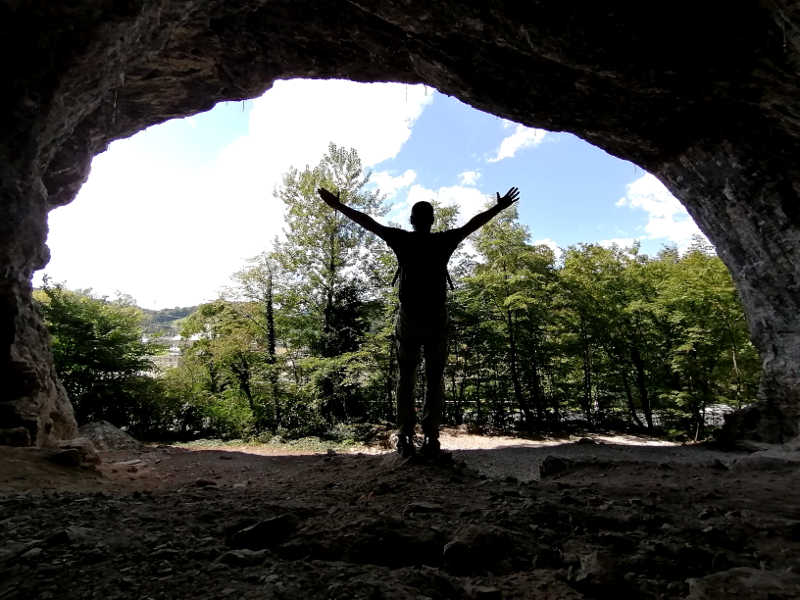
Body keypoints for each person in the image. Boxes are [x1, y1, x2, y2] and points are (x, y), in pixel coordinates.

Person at [317, 186, 520, 458]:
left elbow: (368, 222)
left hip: (409, 318)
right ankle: (432, 437)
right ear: (432, 220)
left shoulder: (402, 240)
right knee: (435, 379)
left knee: (406, 377)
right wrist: (498, 207)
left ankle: (404, 435)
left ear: (412, 220)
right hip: (437, 318)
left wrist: (338, 206)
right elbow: (473, 225)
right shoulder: (444, 241)